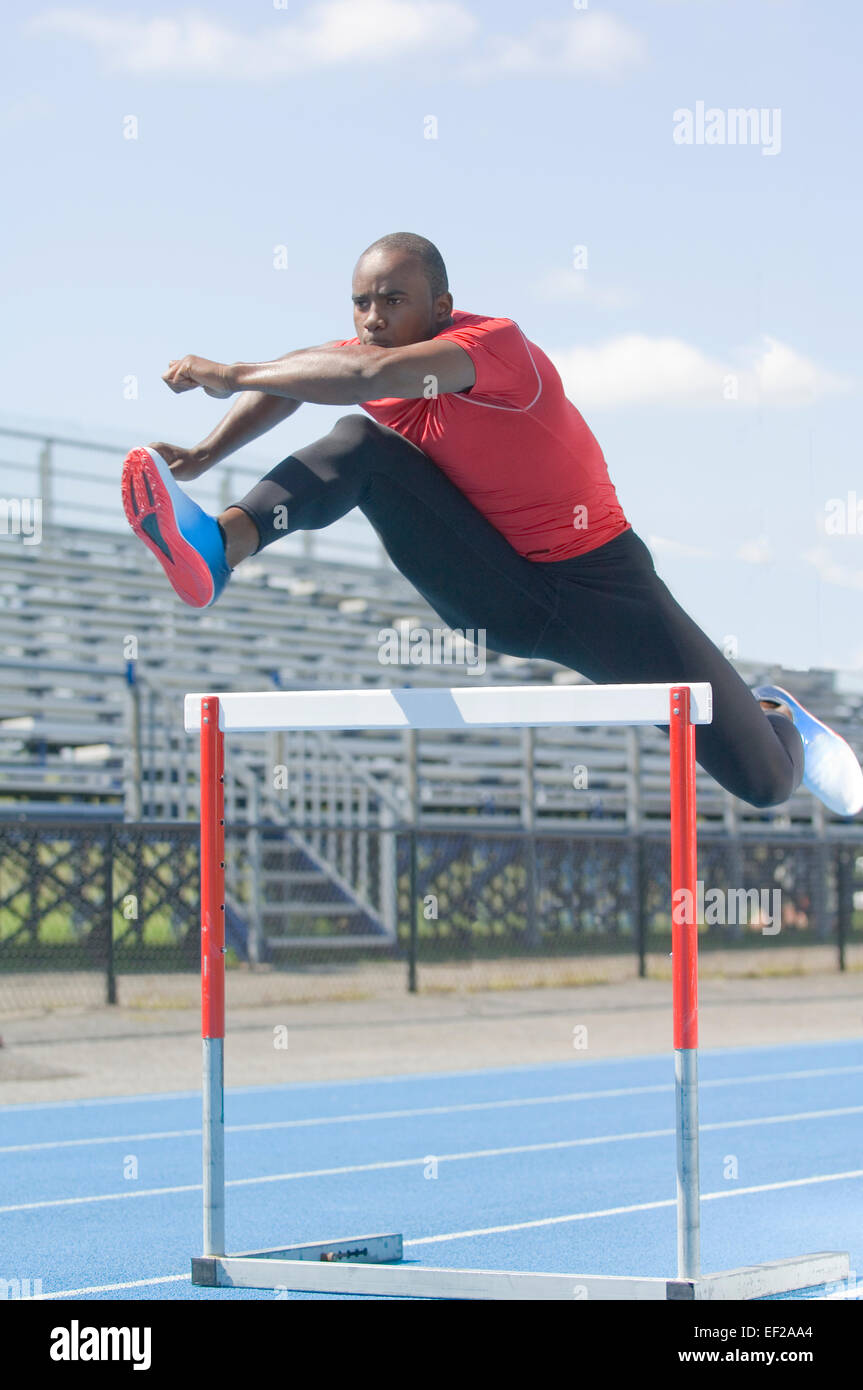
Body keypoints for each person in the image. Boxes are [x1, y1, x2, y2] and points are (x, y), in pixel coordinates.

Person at [121, 232, 863, 817]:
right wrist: (204, 451)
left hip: (604, 588)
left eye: (392, 300)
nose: (373, 318)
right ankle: (220, 545)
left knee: (762, 784)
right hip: (494, 589)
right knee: (358, 446)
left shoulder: (493, 348)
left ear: (441, 307)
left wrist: (231, 370)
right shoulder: (364, 353)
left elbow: (363, 378)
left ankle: (778, 717)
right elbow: (301, 380)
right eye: (359, 303)